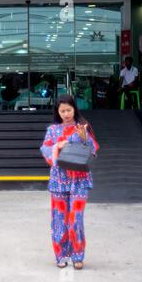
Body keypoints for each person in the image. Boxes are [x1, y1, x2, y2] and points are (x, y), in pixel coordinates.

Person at [40, 95, 100, 271]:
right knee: (59, 219)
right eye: (62, 111)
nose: (66, 114)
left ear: (75, 109)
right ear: (57, 112)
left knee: (76, 219)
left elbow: (93, 150)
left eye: (69, 110)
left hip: (80, 180)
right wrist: (58, 145)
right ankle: (61, 255)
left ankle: (78, 255)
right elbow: (46, 149)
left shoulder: (83, 127)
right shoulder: (52, 130)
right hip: (59, 181)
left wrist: (84, 138)